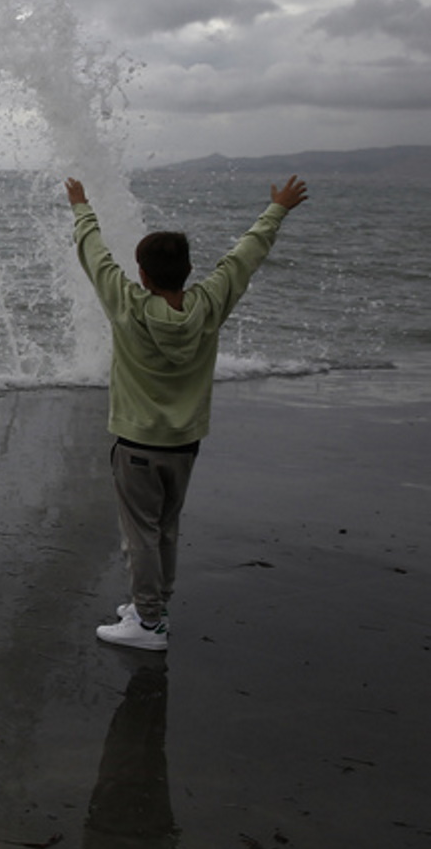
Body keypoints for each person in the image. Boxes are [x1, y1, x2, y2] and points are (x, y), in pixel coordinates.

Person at [64, 174, 309, 651]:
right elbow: (245, 257)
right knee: (165, 528)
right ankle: (152, 605)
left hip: (137, 444)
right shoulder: (209, 303)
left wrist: (80, 206)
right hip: (184, 444)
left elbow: (94, 255)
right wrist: (276, 208)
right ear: (189, 269)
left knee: (140, 534)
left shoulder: (128, 304)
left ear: (143, 275)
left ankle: (149, 622)